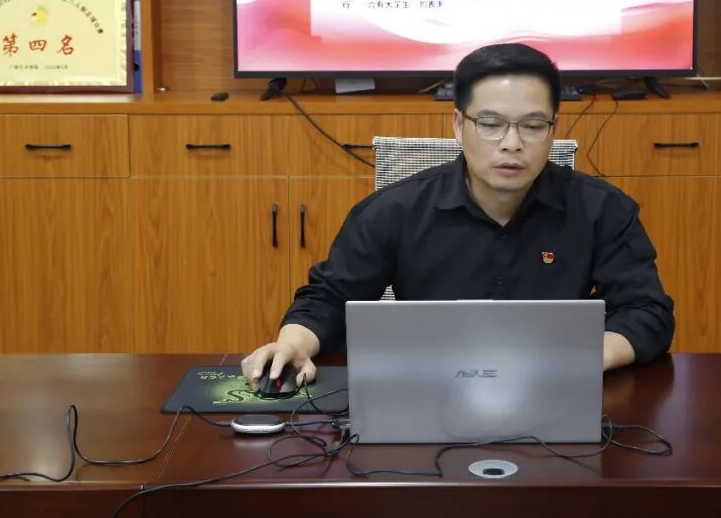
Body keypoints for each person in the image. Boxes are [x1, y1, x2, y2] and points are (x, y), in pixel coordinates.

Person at [242, 43, 674, 390]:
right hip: (425, 393)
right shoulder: (393, 212)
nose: (512, 143)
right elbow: (330, 297)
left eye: (532, 125)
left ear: (553, 130)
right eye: (491, 123)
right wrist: (293, 343)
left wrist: (579, 358)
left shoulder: (602, 209)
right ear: (457, 125)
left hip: (556, 392)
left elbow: (647, 311)